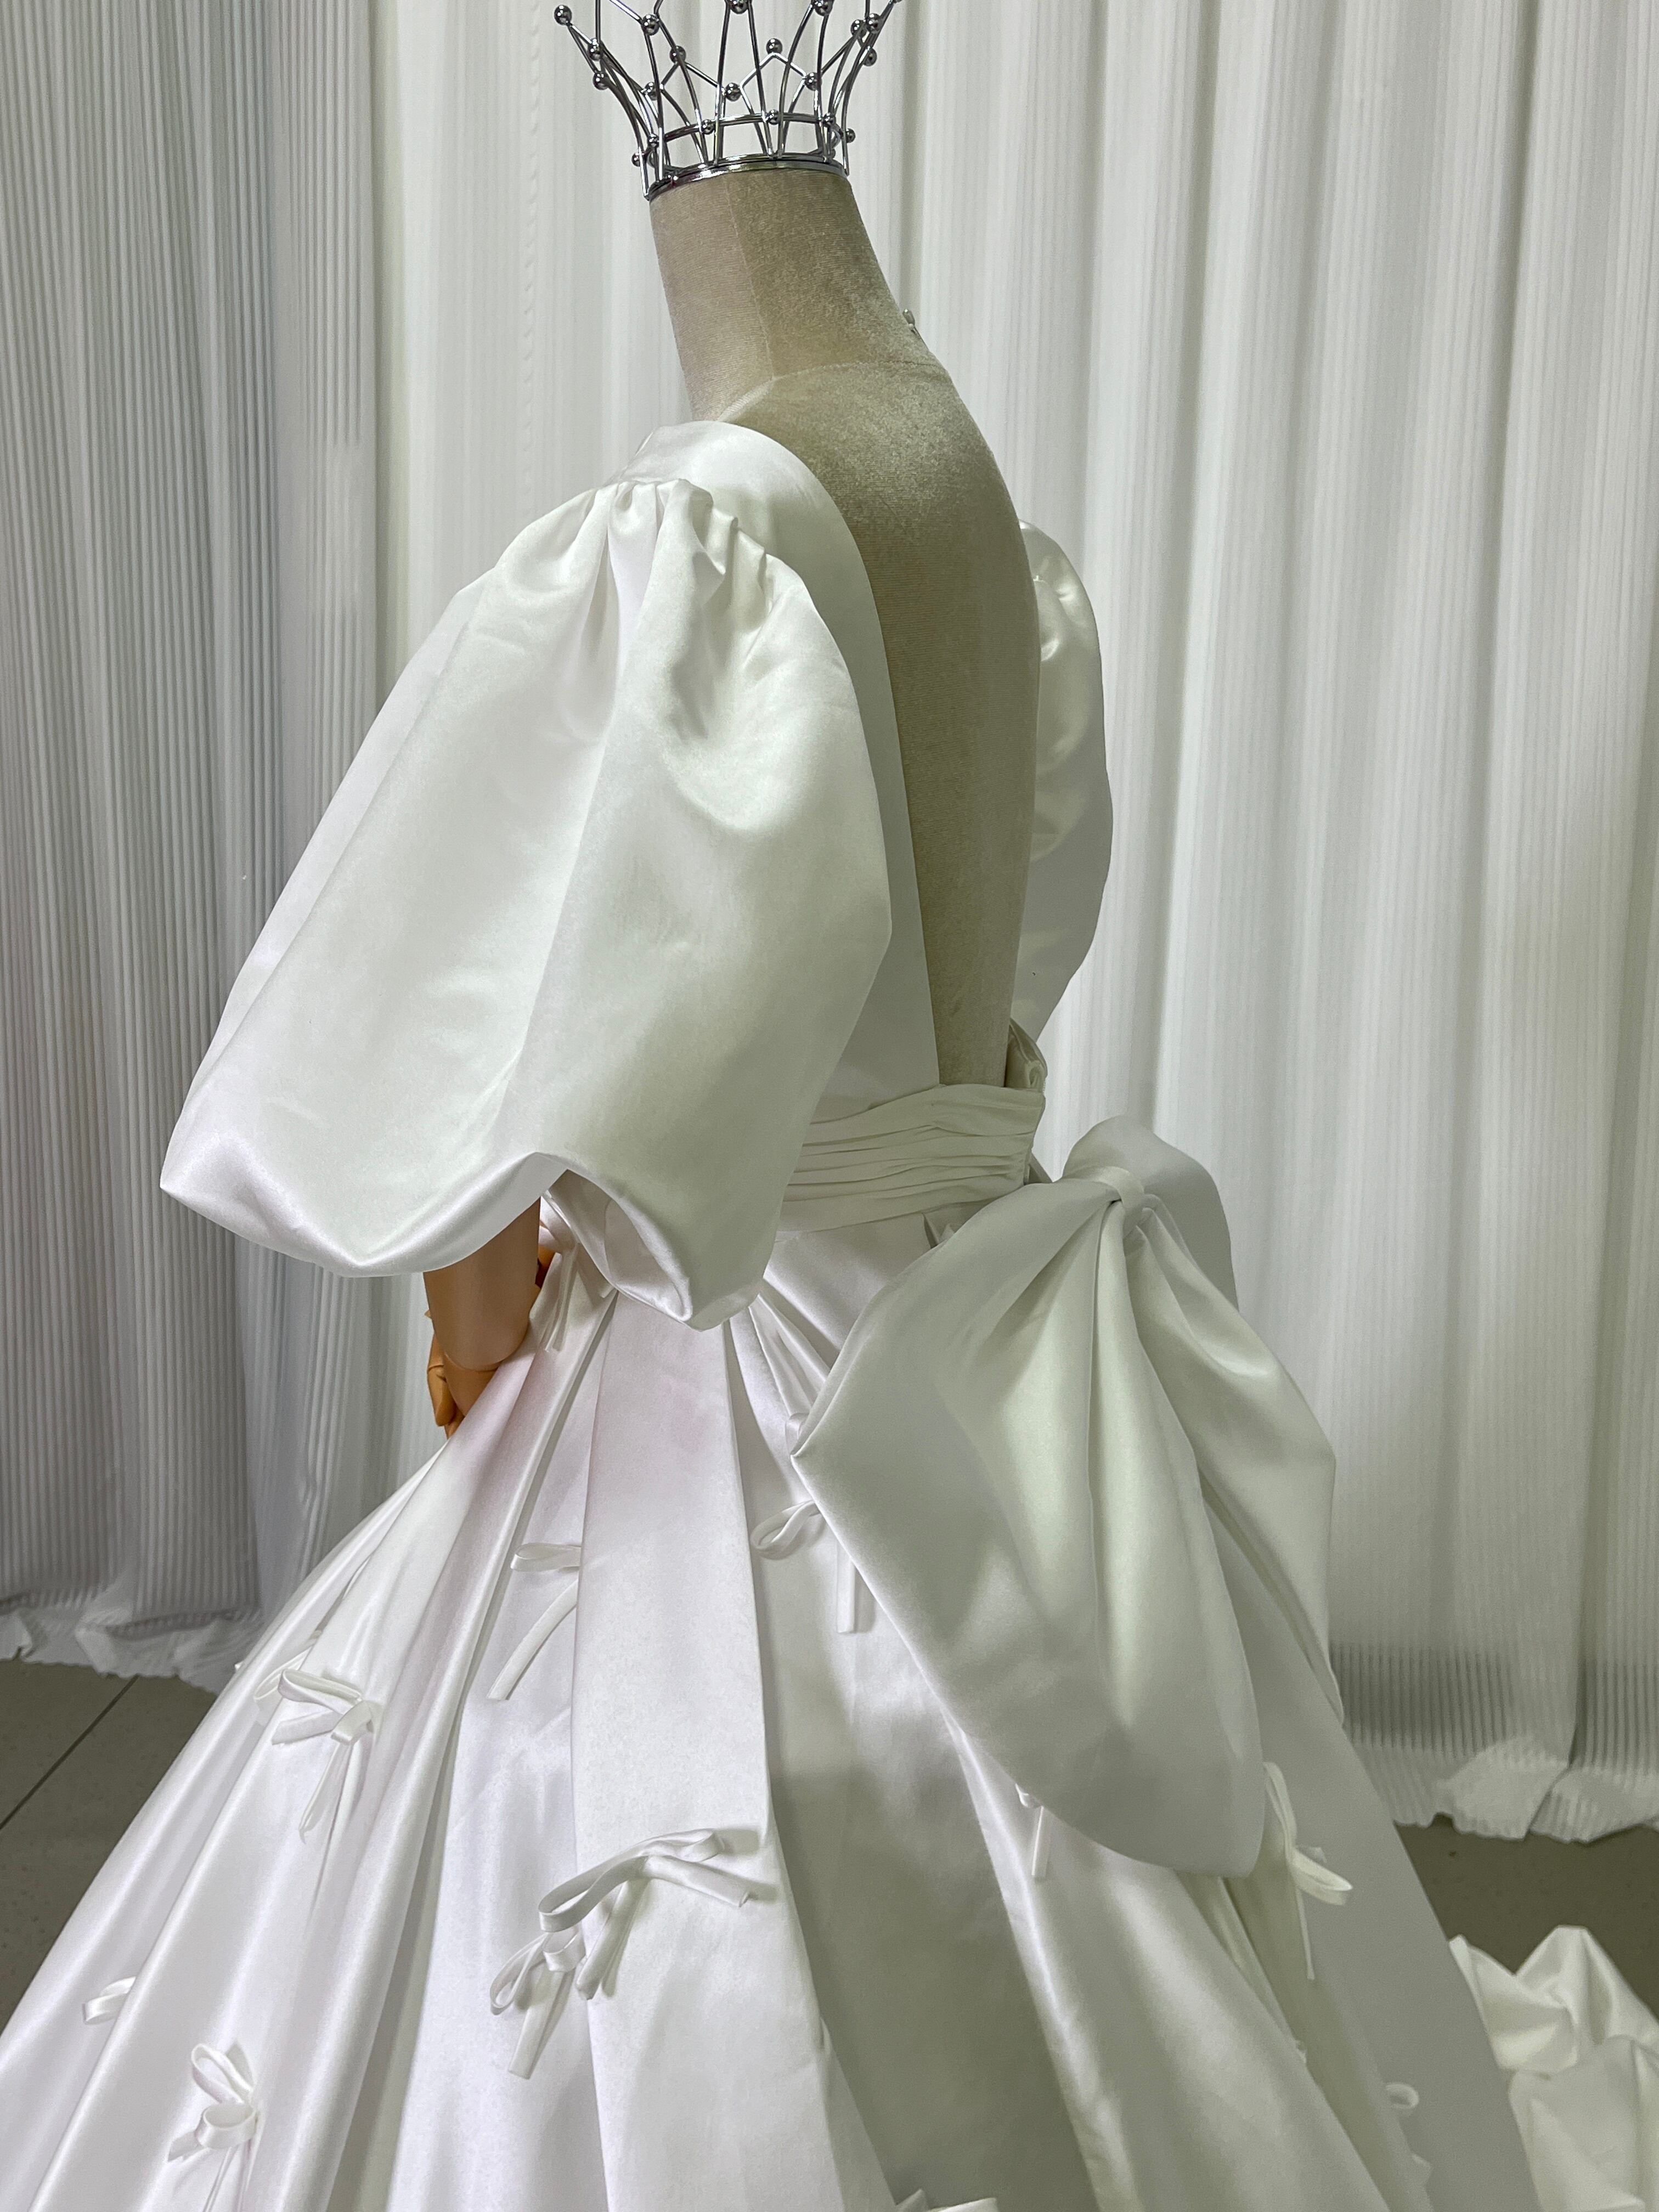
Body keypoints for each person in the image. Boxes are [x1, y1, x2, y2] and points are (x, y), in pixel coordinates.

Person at [0, 8, 1555, 2207]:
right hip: (988, 1328)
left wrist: (476, 1301)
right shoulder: (965, 486)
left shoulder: (696, 530)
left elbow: (498, 1046)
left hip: (740, 1367)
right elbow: (982, 943)